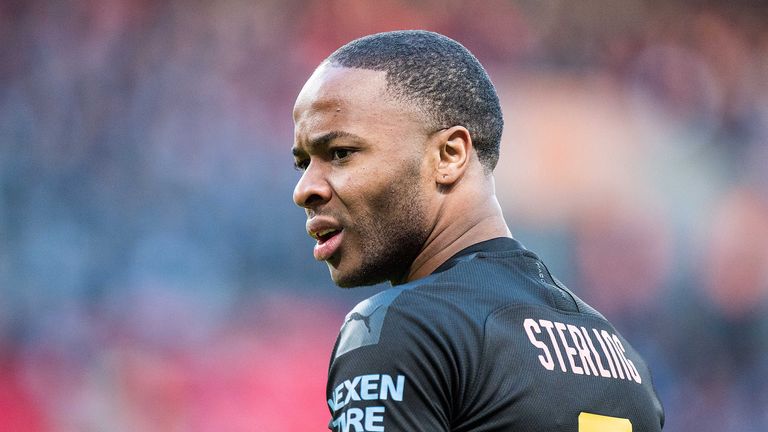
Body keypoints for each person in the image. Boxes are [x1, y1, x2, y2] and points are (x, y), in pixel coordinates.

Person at [291, 30, 664, 432]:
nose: (304, 190)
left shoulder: (401, 329)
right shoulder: (622, 358)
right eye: (304, 163)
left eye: (341, 154)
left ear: (449, 155)